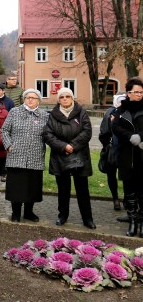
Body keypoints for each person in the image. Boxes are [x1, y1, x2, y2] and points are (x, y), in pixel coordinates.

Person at [43, 87, 96, 229]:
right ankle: (63, 215)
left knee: (82, 190)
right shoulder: (53, 115)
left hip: (80, 155)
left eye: (68, 96)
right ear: (58, 99)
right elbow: (48, 134)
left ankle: (87, 218)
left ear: (72, 98)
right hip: (60, 156)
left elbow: (87, 131)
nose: (65, 99)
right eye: (62, 97)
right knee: (63, 189)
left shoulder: (82, 112)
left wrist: (72, 145)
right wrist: (63, 146)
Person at [1, 88, 49, 222]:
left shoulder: (44, 115)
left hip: (35, 155)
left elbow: (48, 134)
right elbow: (4, 130)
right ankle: (15, 213)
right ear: (24, 99)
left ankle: (29, 212)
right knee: (16, 186)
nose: (30, 100)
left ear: (38, 100)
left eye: (33, 98)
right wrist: (9, 145)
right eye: (28, 97)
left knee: (32, 186)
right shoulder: (14, 112)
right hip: (16, 155)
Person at [112, 77, 143, 237]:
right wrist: (130, 136)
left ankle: (142, 221)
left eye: (141, 92)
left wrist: (141, 137)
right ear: (128, 93)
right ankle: (132, 221)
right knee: (129, 190)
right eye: (136, 92)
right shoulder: (121, 110)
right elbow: (115, 126)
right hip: (127, 156)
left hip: (142, 154)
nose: (139, 94)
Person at [99, 92, 126, 211]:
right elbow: (103, 132)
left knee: (127, 176)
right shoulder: (110, 113)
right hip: (112, 150)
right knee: (111, 174)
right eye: (119, 100)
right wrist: (107, 145)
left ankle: (127, 199)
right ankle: (115, 199)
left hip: (126, 150)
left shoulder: (129, 113)